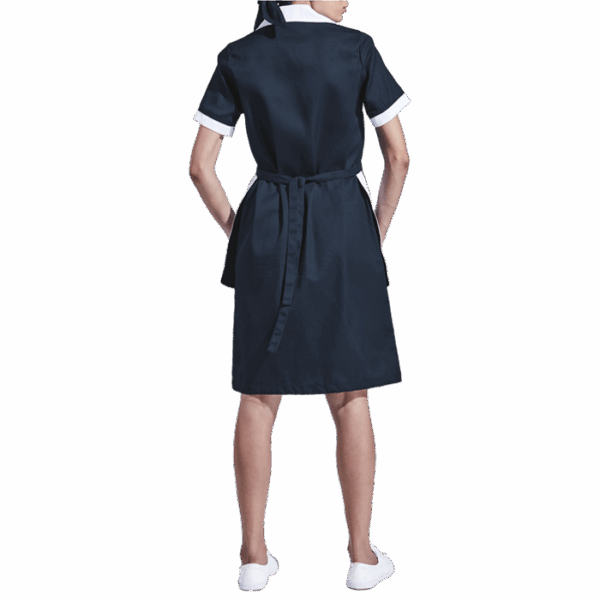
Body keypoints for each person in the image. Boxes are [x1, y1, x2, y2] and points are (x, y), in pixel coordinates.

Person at [188, 0, 411, 591]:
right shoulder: (357, 47)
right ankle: (361, 557)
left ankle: (252, 557)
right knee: (351, 393)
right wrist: (374, 233)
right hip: (345, 226)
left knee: (258, 395)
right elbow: (398, 156)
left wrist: (239, 230)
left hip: (268, 224)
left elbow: (200, 166)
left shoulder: (239, 55)